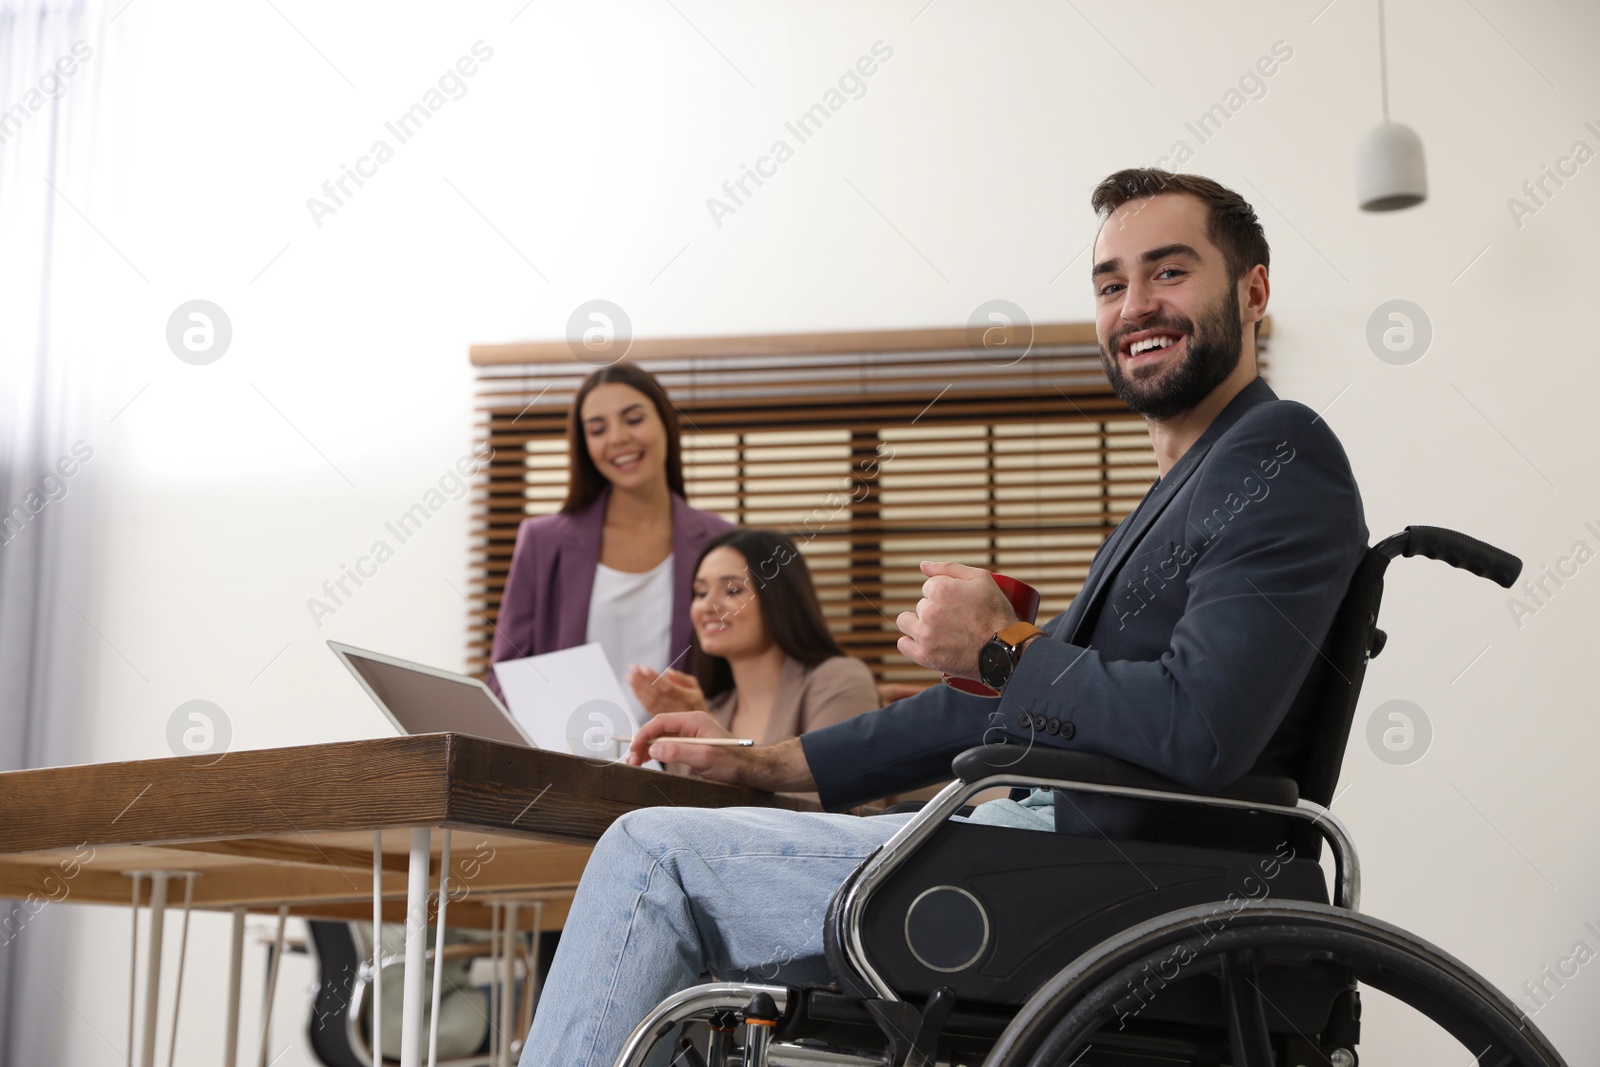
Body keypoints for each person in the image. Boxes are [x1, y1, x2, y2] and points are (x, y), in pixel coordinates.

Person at [517, 168, 1369, 1065]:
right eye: (1111, 284)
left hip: (1118, 888)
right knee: (672, 870)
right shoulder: (1179, 488)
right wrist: (764, 763)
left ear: (1254, 290)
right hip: (1046, 855)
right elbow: (999, 706)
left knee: (652, 856)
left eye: (1168, 272)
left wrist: (1002, 646)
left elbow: (1203, 725)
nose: (1135, 306)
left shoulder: (1277, 452)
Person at [488, 363, 733, 720]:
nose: (617, 438)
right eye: (598, 429)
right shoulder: (542, 542)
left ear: (666, 422)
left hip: (680, 765)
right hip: (564, 761)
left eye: (633, 420)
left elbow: (746, 678)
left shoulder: (722, 541)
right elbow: (504, 678)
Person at [627, 529, 880, 760]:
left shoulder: (839, 680)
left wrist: (715, 745)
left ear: (779, 599)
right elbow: (683, 805)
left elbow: (829, 801)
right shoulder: (713, 708)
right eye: (701, 593)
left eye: (732, 591)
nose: (707, 606)